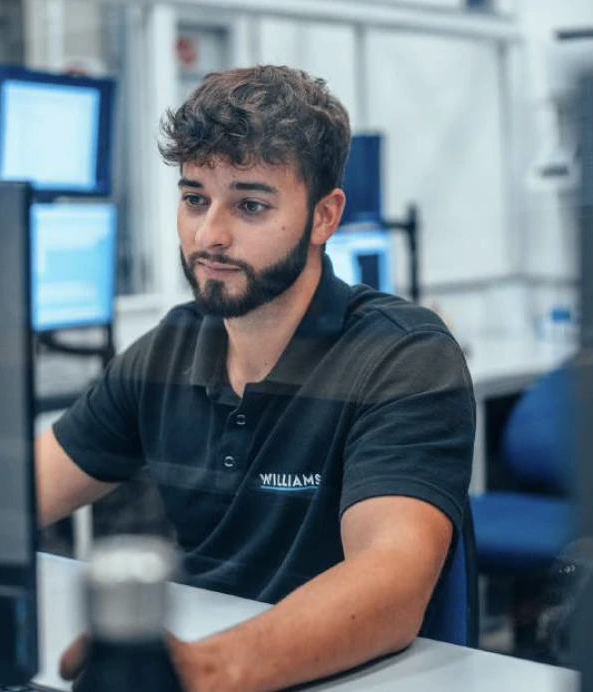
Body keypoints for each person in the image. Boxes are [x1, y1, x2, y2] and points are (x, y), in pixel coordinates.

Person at [36, 65, 475, 692]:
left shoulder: (402, 357)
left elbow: (391, 582)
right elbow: (11, 500)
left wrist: (208, 670)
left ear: (324, 217)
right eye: (194, 199)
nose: (210, 235)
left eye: (250, 204)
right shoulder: (168, 351)